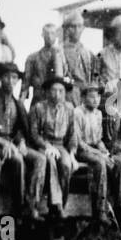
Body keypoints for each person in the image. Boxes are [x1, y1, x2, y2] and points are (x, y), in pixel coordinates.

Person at [0, 63, 45, 220]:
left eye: (14, 78)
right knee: (17, 161)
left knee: (39, 158)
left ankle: (30, 204)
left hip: (13, 144)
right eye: (6, 77)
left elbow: (18, 129)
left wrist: (22, 141)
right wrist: (3, 143)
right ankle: (15, 213)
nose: (10, 81)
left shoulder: (17, 104)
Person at [27, 75, 79, 220]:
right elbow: (34, 134)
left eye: (61, 91)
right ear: (47, 92)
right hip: (44, 144)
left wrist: (72, 155)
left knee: (67, 164)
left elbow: (72, 135)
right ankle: (57, 205)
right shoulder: (39, 108)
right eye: (54, 91)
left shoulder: (69, 109)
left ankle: (62, 202)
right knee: (50, 161)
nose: (57, 95)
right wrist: (47, 145)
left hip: (60, 145)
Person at [73, 82, 113, 226]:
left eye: (97, 97)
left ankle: (112, 206)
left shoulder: (98, 114)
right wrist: (99, 154)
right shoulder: (77, 113)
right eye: (91, 97)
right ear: (83, 98)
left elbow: (98, 139)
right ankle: (100, 210)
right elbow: (79, 143)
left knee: (111, 163)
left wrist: (104, 151)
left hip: (94, 150)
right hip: (80, 151)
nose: (96, 100)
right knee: (100, 163)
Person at [59, 9, 96, 105]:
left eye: (79, 26)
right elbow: (59, 78)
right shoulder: (60, 51)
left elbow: (92, 78)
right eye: (73, 27)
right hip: (68, 97)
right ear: (67, 29)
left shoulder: (88, 53)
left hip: (86, 97)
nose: (76, 30)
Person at [22, 23, 66, 102]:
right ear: (42, 35)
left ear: (57, 35)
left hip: (56, 99)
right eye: (47, 33)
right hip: (39, 98)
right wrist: (21, 103)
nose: (49, 37)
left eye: (52, 33)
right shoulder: (33, 58)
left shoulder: (61, 55)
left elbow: (65, 77)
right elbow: (25, 83)